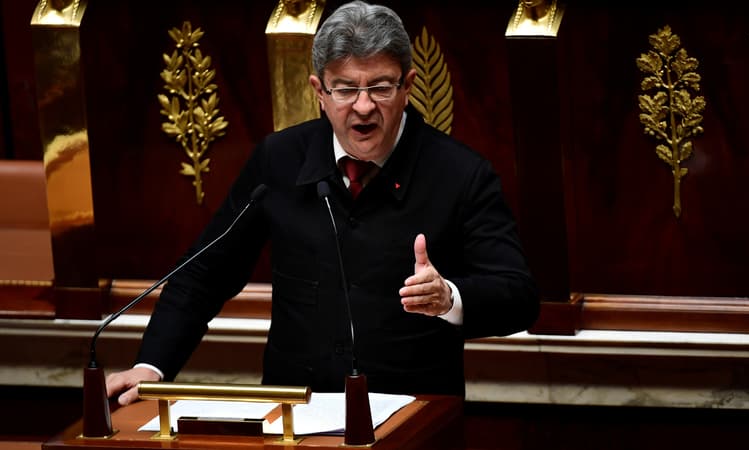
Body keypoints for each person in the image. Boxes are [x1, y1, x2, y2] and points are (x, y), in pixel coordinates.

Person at [106, 0, 538, 405]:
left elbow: (518, 295)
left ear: (408, 86)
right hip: (295, 414)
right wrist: (153, 364)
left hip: (413, 419)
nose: (364, 106)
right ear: (319, 91)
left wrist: (449, 297)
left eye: (381, 87)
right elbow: (204, 273)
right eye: (346, 89)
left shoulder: (461, 173)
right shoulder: (279, 160)